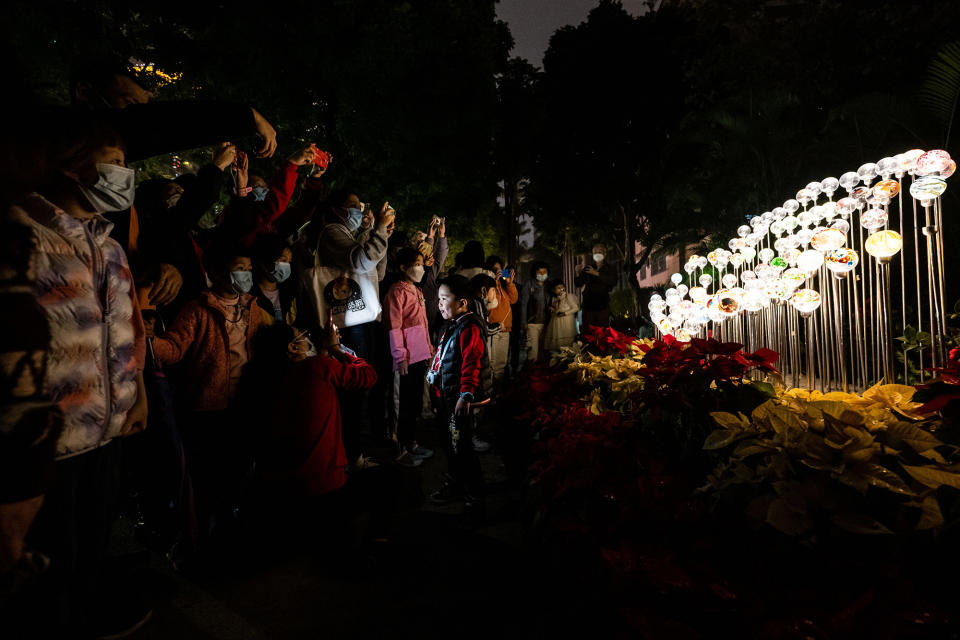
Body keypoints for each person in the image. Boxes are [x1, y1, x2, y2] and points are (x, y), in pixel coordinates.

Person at [12, 111, 150, 636]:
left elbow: (125, 333)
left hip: (107, 434)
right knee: (47, 573)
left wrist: (136, 397)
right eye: (113, 162)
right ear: (72, 166)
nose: (124, 173)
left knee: (90, 550)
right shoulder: (22, 235)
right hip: (49, 448)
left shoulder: (110, 245)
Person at [149, 245, 263, 545]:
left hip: (244, 403)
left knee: (239, 470)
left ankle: (230, 527)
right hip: (207, 408)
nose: (246, 275)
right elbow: (174, 349)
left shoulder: (253, 308)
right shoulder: (197, 310)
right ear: (215, 273)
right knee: (209, 475)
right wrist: (148, 341)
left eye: (249, 269)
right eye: (240, 267)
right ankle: (204, 536)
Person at [428, 276, 492, 521]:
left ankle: (475, 499)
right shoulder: (453, 324)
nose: (440, 304)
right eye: (439, 299)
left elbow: (471, 364)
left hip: (461, 402)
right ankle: (456, 485)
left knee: (462, 449)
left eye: (445, 299)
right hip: (449, 399)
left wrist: (465, 396)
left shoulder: (469, 327)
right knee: (451, 446)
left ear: (462, 302)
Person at [384, 248, 434, 466]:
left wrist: (428, 349)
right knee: (401, 404)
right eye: (416, 263)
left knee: (413, 404)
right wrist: (399, 355)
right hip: (404, 359)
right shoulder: (396, 292)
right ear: (403, 267)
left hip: (419, 356)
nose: (420, 268)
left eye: (422, 263)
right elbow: (394, 327)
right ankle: (401, 447)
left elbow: (422, 324)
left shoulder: (417, 290)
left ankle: (411, 442)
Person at [483, 256, 519, 384]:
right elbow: (488, 302)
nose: (498, 272)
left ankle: (499, 392)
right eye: (495, 270)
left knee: (502, 363)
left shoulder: (504, 286)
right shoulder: (488, 285)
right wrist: (493, 280)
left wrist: (509, 282)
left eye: (500, 270)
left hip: (506, 329)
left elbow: (514, 299)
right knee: (492, 364)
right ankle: (491, 392)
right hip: (494, 328)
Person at [251, 234, 296, 325]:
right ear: (264, 263)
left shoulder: (290, 293)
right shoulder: (251, 297)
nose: (287, 266)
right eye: (283, 260)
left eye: (289, 262)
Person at [575, 243, 618, 329]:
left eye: (600, 252)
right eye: (595, 252)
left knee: (603, 332)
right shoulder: (588, 268)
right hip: (588, 305)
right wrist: (577, 272)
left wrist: (596, 273)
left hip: (602, 305)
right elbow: (578, 283)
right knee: (588, 331)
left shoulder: (610, 268)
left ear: (605, 254)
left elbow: (613, 281)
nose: (597, 254)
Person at [520, 261, 551, 362]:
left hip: (547, 324)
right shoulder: (529, 284)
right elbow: (524, 304)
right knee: (533, 353)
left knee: (544, 353)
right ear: (535, 273)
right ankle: (530, 374)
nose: (542, 275)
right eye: (539, 272)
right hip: (532, 323)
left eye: (544, 272)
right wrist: (524, 322)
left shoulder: (549, 285)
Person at [543, 280, 581, 352]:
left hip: (567, 321)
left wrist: (565, 313)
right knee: (557, 343)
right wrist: (553, 309)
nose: (561, 289)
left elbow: (576, 308)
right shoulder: (555, 298)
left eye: (562, 287)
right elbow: (557, 310)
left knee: (568, 342)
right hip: (557, 322)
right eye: (558, 288)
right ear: (554, 290)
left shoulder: (569, 296)